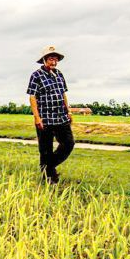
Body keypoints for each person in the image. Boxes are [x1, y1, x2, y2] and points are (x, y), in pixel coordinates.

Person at [26, 45, 74, 184]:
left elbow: (63, 93)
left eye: (56, 59)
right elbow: (32, 97)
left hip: (61, 117)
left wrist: (68, 110)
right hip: (45, 119)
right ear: (45, 60)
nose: (54, 62)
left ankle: (48, 167)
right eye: (51, 59)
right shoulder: (36, 75)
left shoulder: (59, 74)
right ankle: (49, 178)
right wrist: (37, 117)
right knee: (45, 150)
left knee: (68, 144)